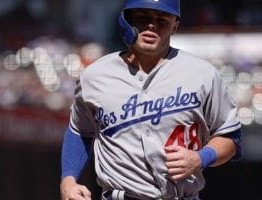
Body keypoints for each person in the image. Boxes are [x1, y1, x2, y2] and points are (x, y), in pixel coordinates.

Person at [60, 0, 242, 199]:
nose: (151, 25)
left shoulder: (202, 75)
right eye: (143, 17)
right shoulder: (95, 76)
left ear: (175, 25)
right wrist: (68, 179)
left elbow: (230, 137)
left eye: (162, 20)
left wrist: (201, 158)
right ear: (127, 20)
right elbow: (79, 130)